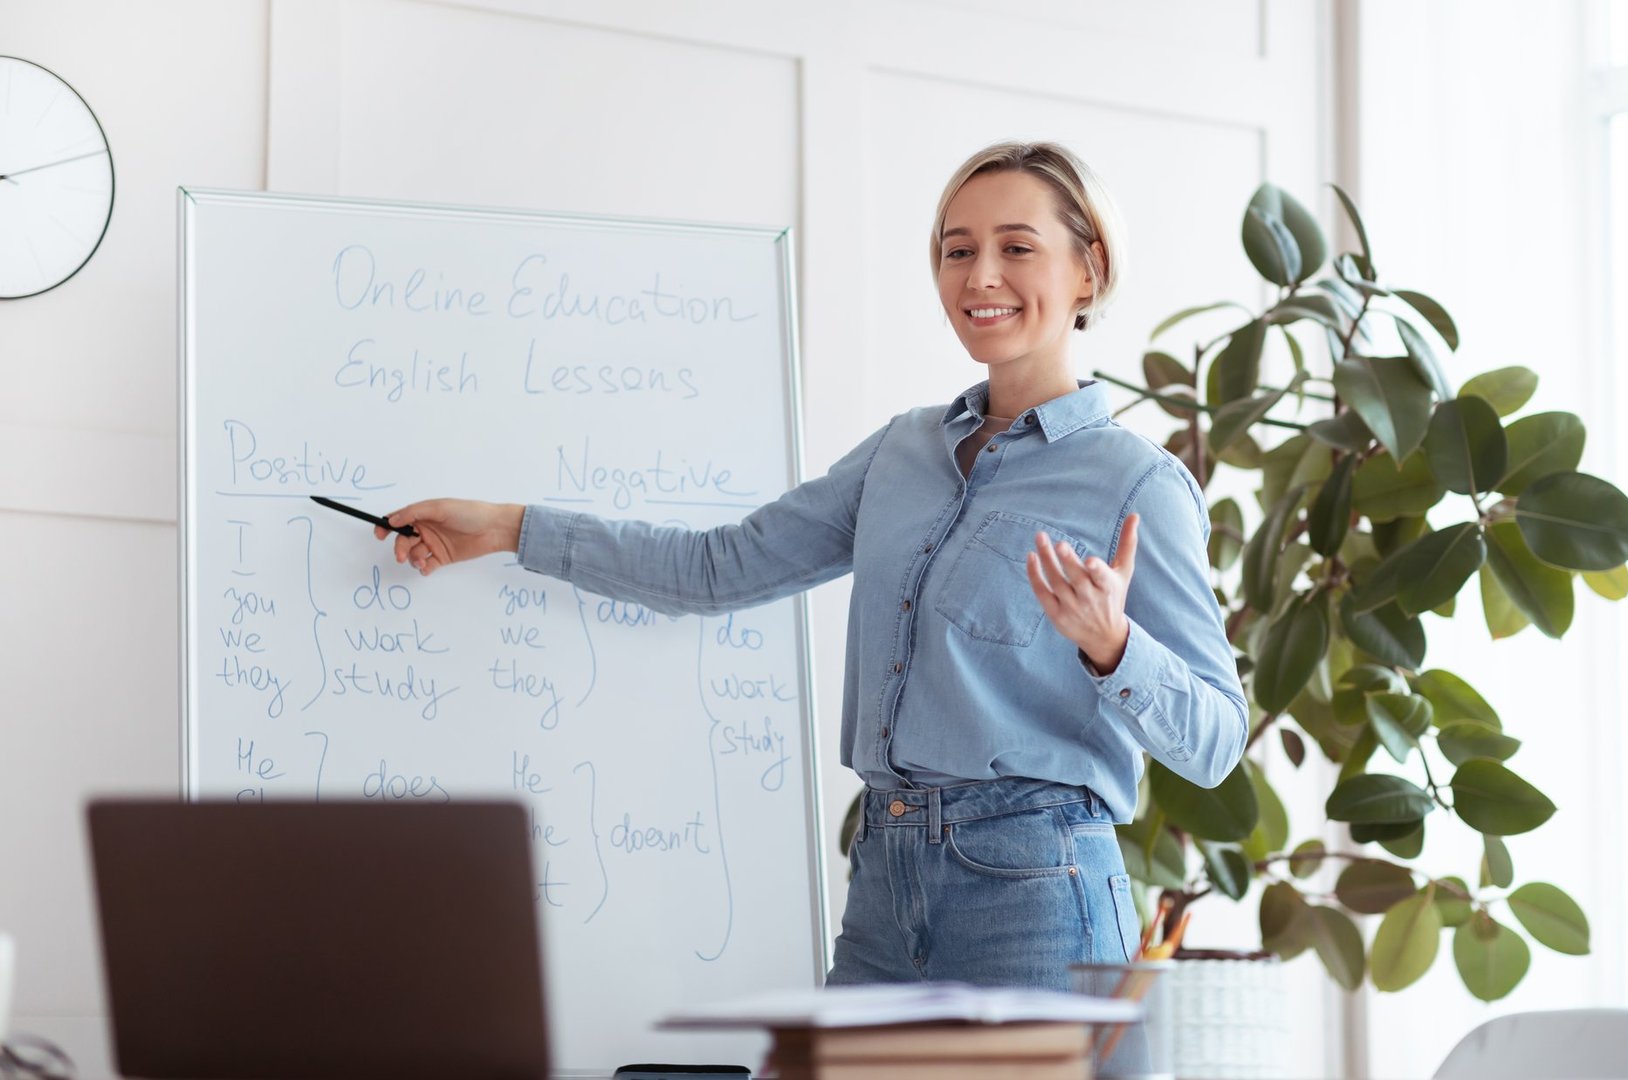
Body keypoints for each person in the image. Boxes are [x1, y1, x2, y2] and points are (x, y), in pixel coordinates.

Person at [375, 141, 1247, 1013]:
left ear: (1089, 269)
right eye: (957, 249)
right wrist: (508, 527)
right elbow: (720, 568)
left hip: (1037, 891)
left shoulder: (1135, 483)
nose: (981, 275)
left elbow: (1215, 743)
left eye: (1016, 247)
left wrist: (1113, 645)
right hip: (884, 880)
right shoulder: (902, 451)